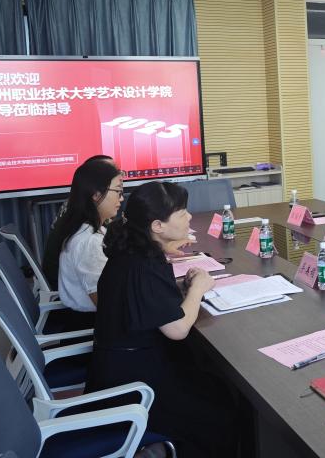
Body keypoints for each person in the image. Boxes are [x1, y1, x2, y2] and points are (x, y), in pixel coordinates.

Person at [87, 181, 235, 457]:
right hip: (133, 385)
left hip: (122, 365)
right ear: (157, 226)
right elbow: (177, 329)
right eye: (181, 213)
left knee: (215, 385)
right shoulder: (144, 265)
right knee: (220, 411)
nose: (189, 216)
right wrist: (198, 289)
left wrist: (174, 268)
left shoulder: (135, 252)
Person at [55, 157, 124, 314]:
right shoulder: (89, 242)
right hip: (93, 321)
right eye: (118, 191)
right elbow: (106, 303)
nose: (121, 198)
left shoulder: (89, 228)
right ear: (96, 195)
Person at [42, 154, 117, 291]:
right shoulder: (88, 234)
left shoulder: (78, 206)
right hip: (64, 283)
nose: (116, 174)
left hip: (70, 281)